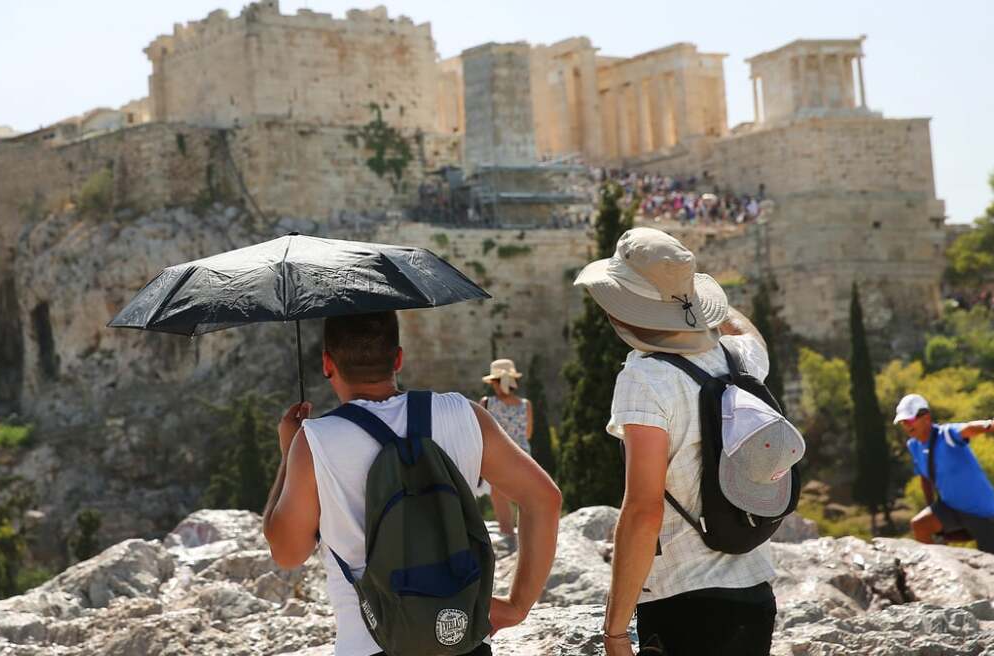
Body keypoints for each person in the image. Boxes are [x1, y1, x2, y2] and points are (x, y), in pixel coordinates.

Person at [262, 312, 562, 656]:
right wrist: (517, 605)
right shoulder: (464, 413)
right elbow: (545, 499)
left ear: (327, 363)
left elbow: (287, 553)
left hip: (372, 644)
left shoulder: (314, 441)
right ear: (398, 358)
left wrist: (289, 454)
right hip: (461, 638)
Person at [575, 227, 789, 656]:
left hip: (684, 602)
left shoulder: (645, 377)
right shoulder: (737, 359)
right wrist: (697, 294)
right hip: (754, 592)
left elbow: (642, 509)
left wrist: (616, 631)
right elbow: (752, 336)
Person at [894, 394, 994, 556]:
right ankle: (935, 569)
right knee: (920, 525)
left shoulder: (946, 435)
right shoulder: (913, 445)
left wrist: (990, 425)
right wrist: (932, 509)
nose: (906, 425)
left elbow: (968, 428)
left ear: (926, 417)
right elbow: (925, 479)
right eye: (903, 422)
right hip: (950, 507)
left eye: (910, 420)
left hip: (981, 511)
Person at [480, 359, 534, 548]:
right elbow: (528, 433)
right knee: (523, 497)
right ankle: (527, 536)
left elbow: (481, 431)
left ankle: (508, 536)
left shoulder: (486, 403)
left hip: (499, 455)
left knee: (499, 496)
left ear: (496, 382)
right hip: (523, 456)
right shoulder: (525, 404)